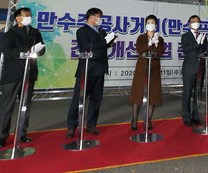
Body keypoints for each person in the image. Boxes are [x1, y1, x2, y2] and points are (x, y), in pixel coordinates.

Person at [0, 7, 45, 148]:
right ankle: (2, 136)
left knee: (25, 106)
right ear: (17, 18)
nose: (28, 17)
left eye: (30, 15)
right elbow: (7, 51)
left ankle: (22, 133)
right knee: (7, 106)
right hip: (13, 74)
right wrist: (26, 52)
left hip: (29, 74)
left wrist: (38, 50)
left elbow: (42, 49)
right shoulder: (10, 34)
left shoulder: (35, 33)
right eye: (25, 15)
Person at [66, 7, 117, 137]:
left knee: (96, 99)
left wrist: (110, 42)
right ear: (91, 17)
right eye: (98, 17)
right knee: (79, 98)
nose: (100, 20)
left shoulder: (102, 31)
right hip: (87, 68)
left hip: (100, 68)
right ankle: (72, 126)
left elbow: (104, 45)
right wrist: (104, 41)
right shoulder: (82, 31)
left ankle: (91, 125)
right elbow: (87, 45)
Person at [128, 14, 166, 131]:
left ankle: (148, 119)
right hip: (142, 68)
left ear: (156, 25)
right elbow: (139, 49)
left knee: (152, 95)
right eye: (148, 22)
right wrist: (149, 43)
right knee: (138, 94)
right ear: (145, 25)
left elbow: (161, 52)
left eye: (152, 22)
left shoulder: (159, 38)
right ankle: (134, 119)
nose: (150, 24)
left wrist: (156, 43)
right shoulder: (141, 37)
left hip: (154, 68)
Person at [180, 14, 208, 127]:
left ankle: (196, 115)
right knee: (187, 93)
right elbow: (186, 49)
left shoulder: (203, 35)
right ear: (189, 23)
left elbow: (206, 47)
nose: (196, 22)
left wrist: (205, 47)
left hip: (200, 68)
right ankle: (186, 117)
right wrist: (197, 44)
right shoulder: (185, 36)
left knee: (198, 93)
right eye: (193, 21)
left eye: (197, 21)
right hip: (189, 68)